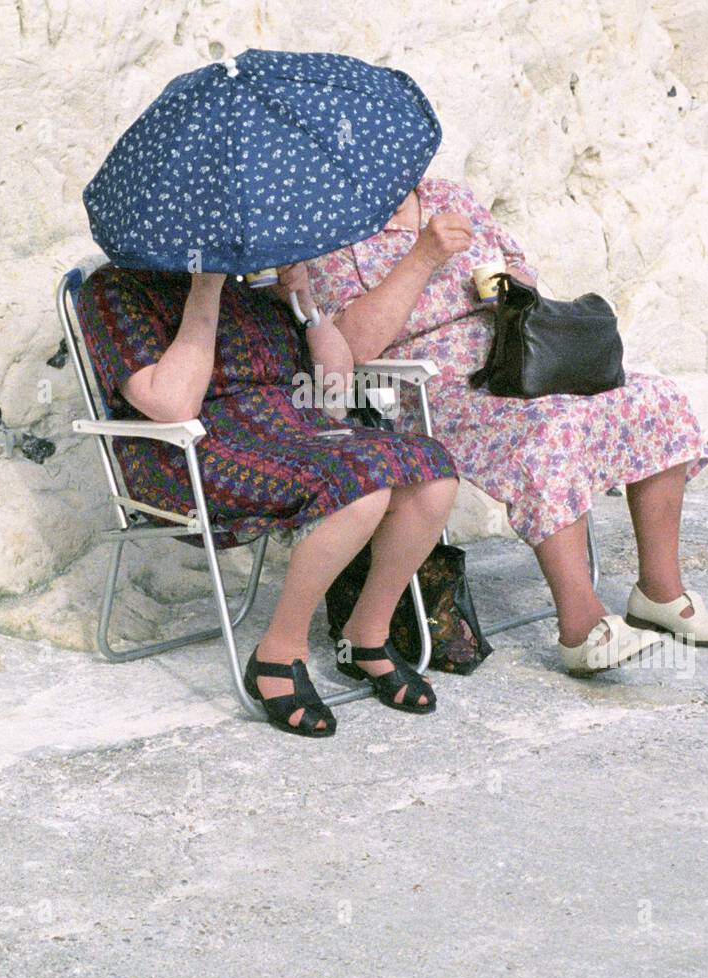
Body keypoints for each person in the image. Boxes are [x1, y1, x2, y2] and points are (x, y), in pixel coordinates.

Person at [306, 178, 708, 675]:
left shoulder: (448, 196)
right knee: (551, 430)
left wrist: (511, 285)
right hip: (432, 387)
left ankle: (659, 592)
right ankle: (581, 625)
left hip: (516, 360)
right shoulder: (332, 228)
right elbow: (355, 346)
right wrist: (422, 257)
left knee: (653, 399)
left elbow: (521, 270)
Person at [76, 262, 459, 736]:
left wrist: (304, 304)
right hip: (192, 452)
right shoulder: (114, 290)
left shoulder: (249, 285)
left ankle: (367, 634)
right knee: (359, 485)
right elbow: (173, 405)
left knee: (432, 468)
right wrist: (204, 290)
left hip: (294, 432)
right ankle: (279, 652)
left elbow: (334, 387)